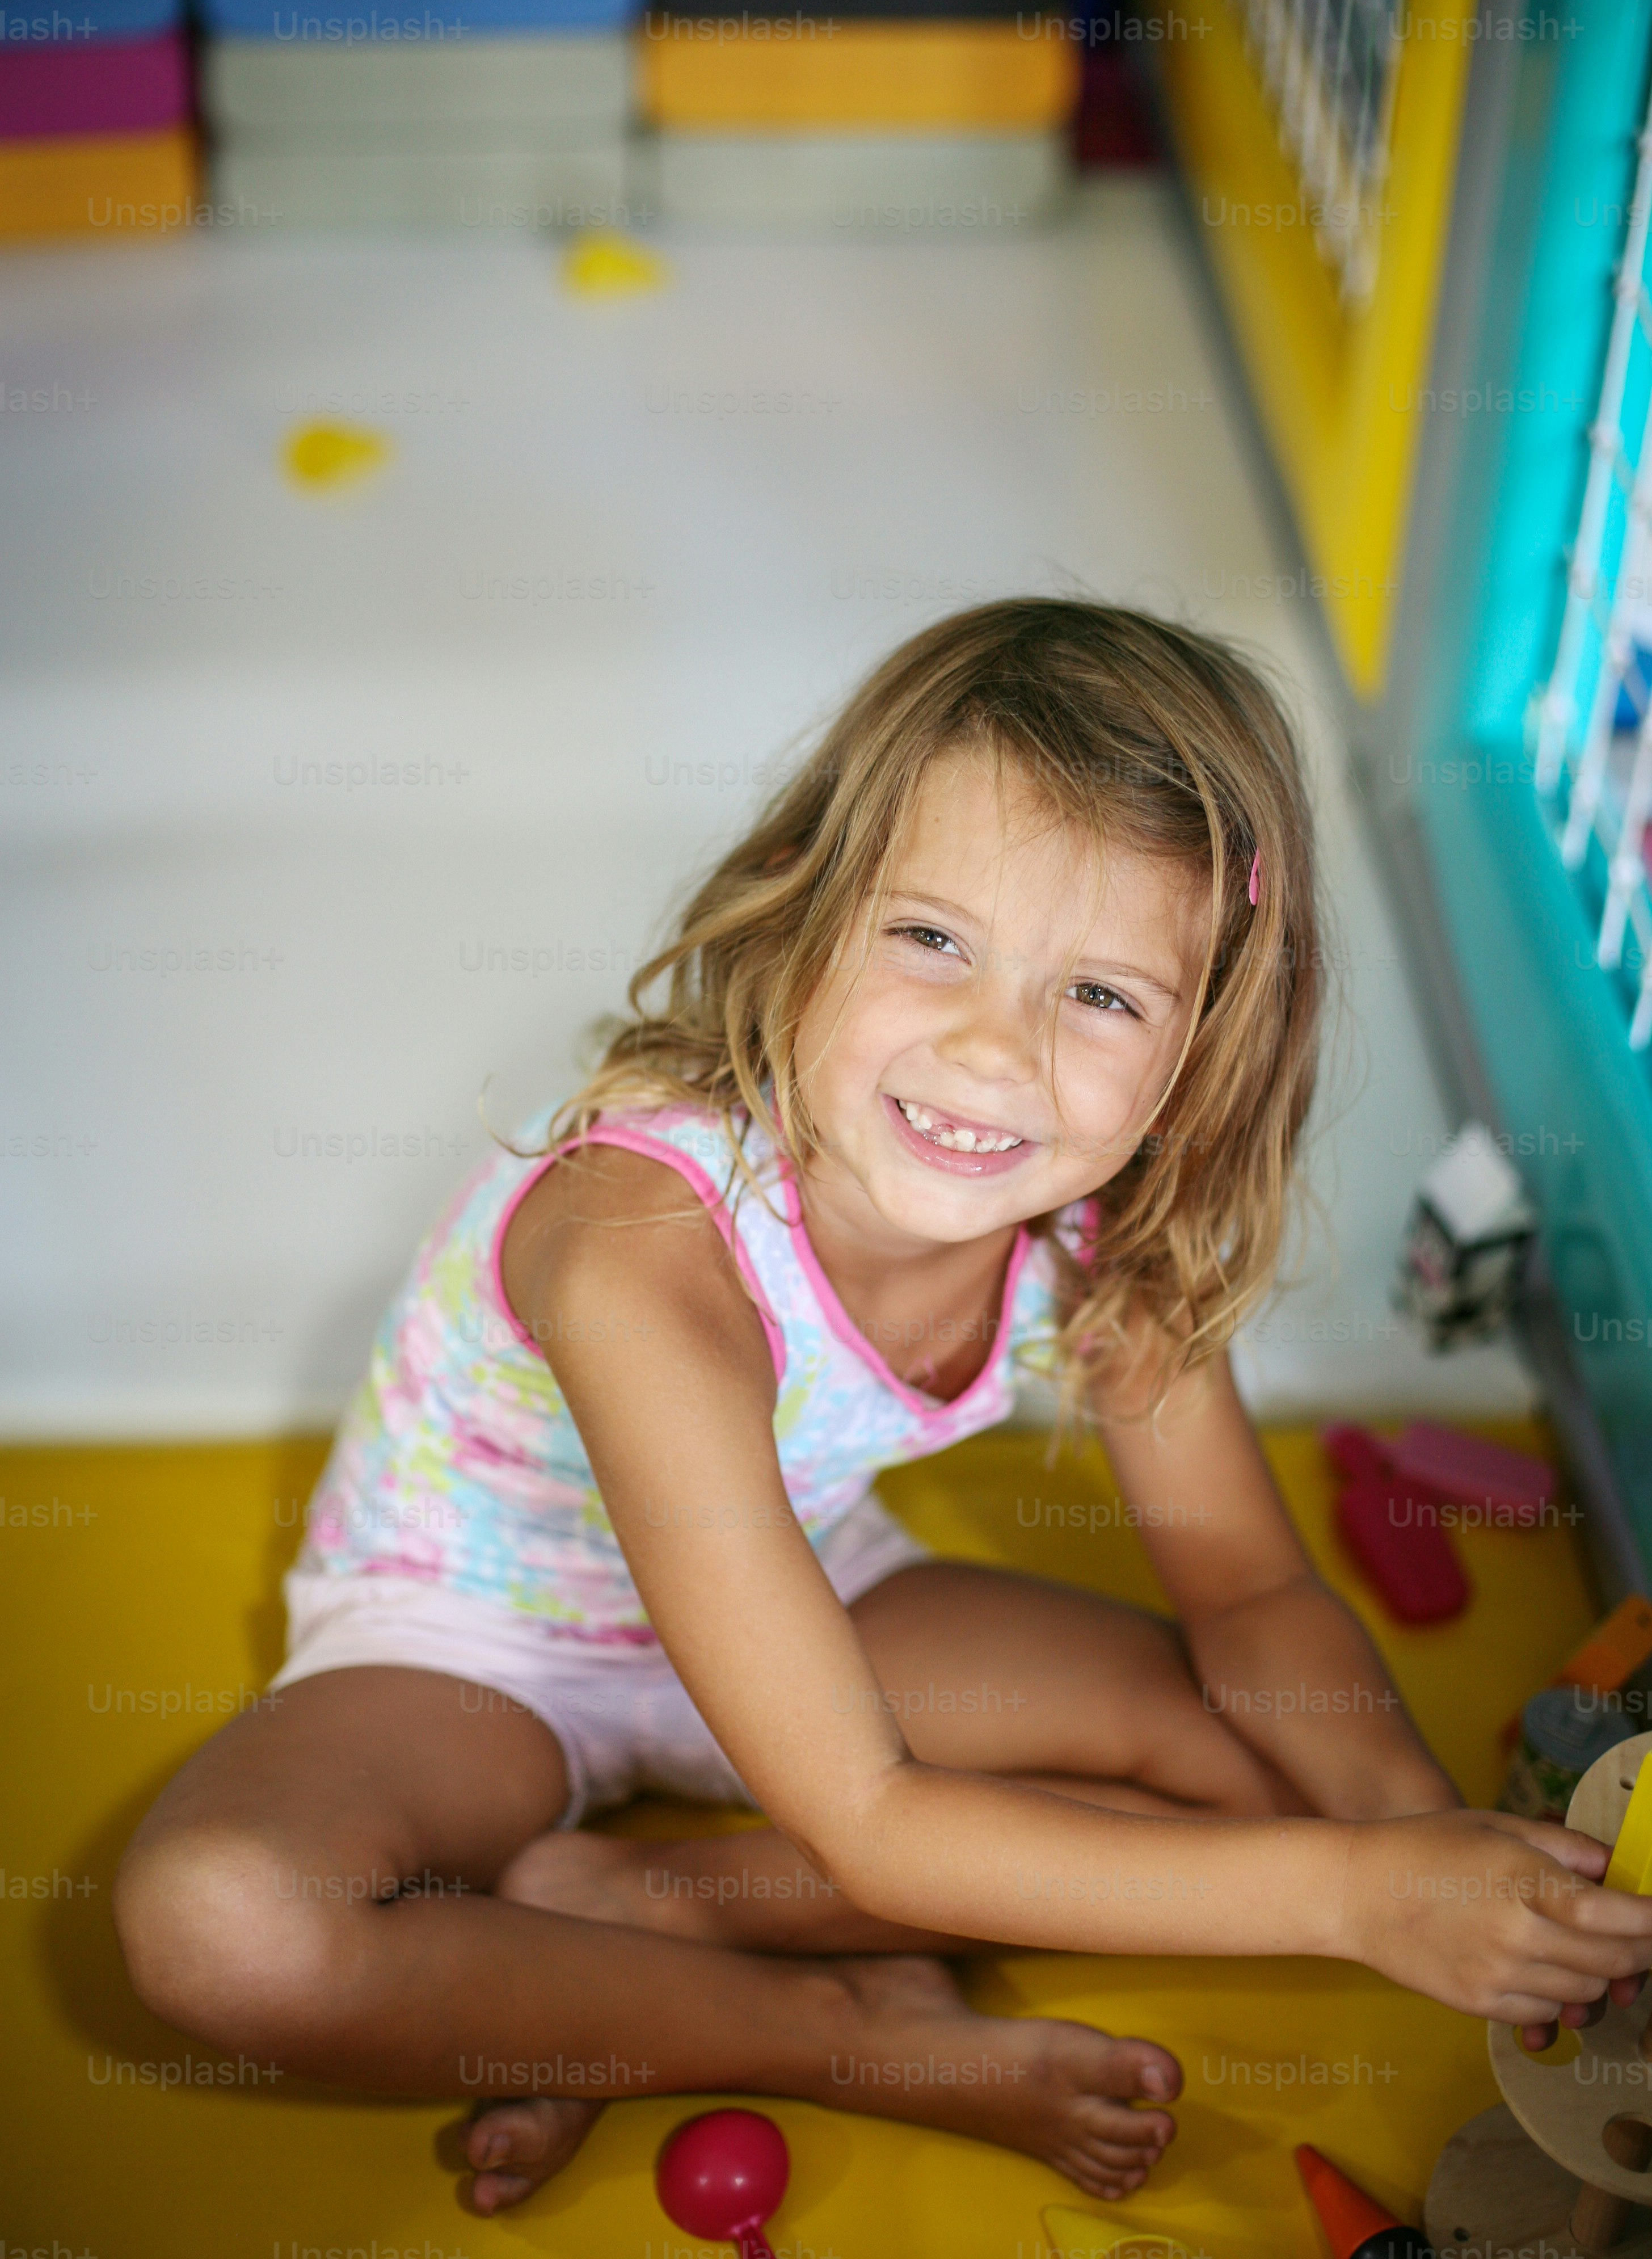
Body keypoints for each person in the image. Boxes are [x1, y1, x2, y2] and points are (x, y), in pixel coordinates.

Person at [115, 600, 1649, 2214]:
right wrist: (1356, 1897)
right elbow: (866, 1815)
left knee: (1277, 1763)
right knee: (226, 1923)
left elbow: (1256, 1595)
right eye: (935, 939)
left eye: (1104, 996)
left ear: (1205, 1053)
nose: (995, 1048)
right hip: (476, 1638)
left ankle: (646, 1915)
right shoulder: (639, 1247)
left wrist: (1438, 1851)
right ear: (812, 916)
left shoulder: (1092, 1222)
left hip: (812, 1593)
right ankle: (827, 2030)